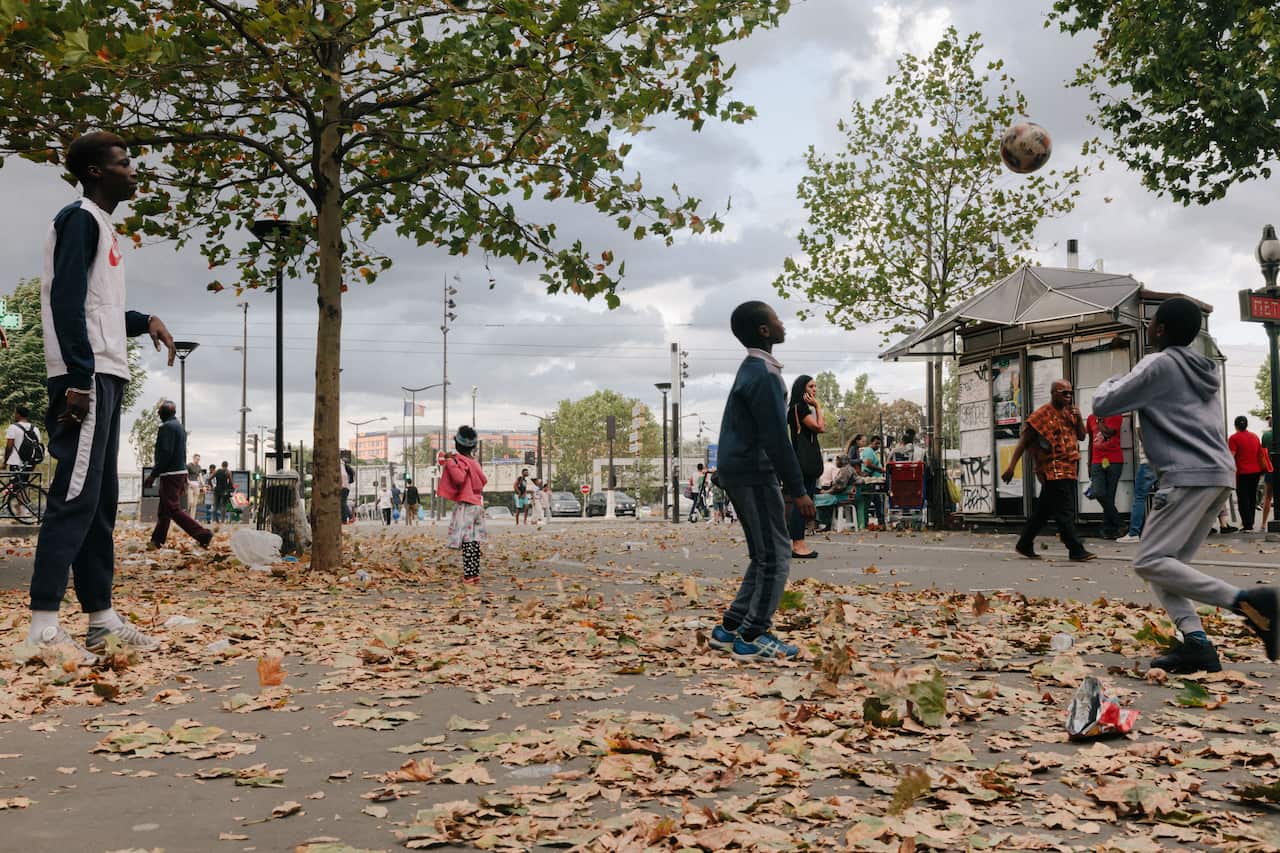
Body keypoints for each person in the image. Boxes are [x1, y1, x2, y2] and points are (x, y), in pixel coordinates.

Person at [28, 131, 176, 661]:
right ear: (95, 171)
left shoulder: (104, 227)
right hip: (84, 377)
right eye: (123, 163)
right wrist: (78, 376)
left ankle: (101, 620)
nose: (133, 171)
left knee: (100, 503)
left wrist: (145, 321)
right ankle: (43, 628)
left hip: (103, 374)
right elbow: (66, 299)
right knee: (73, 497)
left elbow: (100, 308)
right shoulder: (79, 219)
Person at [1093, 297, 1277, 673]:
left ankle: (1249, 601)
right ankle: (1196, 644)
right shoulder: (1203, 369)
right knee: (1168, 565)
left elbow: (1104, 403)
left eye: (1152, 322)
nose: (1148, 327)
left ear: (1160, 329)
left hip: (1186, 475)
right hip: (1217, 476)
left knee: (1149, 560)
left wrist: (1114, 377)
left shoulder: (1160, 363)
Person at [706, 301, 814, 663]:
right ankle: (753, 635)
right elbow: (776, 438)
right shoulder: (765, 375)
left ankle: (732, 626)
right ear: (765, 331)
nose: (783, 324)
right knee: (778, 554)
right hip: (754, 471)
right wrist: (798, 490)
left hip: (738, 468)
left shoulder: (751, 369)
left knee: (764, 553)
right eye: (776, 319)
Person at [1002, 379, 1095, 562]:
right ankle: (1075, 549)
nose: (1068, 397)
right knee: (1064, 510)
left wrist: (1078, 418)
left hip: (1070, 467)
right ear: (1054, 394)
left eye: (1070, 393)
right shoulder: (1041, 415)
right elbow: (1024, 441)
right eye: (1064, 393)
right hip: (1052, 469)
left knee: (1043, 511)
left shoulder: (1071, 413)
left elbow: (1083, 437)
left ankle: (1024, 543)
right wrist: (1011, 466)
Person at [143, 401, 212, 550]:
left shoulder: (166, 427)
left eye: (159, 411)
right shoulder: (179, 427)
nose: (158, 414)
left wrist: (153, 475)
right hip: (179, 472)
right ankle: (156, 540)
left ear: (164, 413)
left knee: (173, 509)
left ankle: (203, 534)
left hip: (170, 473)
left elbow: (165, 453)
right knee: (164, 510)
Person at [439, 425, 488, 584]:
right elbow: (483, 480)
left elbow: (459, 479)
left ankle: (468, 575)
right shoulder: (475, 463)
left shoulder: (458, 461)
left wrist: (450, 463)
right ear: (473, 446)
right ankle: (474, 573)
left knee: (466, 540)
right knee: (474, 540)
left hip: (466, 504)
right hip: (477, 503)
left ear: (457, 444)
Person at [786, 374, 824, 558]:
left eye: (815, 386)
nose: (814, 390)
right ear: (802, 389)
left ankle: (797, 543)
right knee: (802, 502)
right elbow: (819, 427)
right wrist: (818, 407)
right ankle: (798, 544)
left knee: (802, 501)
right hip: (803, 462)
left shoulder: (796, 408)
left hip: (799, 460)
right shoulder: (800, 408)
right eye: (811, 386)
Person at [1086, 410, 1126, 539]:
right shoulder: (1091, 418)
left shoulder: (1116, 415)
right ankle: (1119, 523)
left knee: (1109, 496)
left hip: (1113, 460)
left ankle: (1108, 529)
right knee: (1098, 492)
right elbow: (1091, 441)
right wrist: (1089, 462)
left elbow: (1108, 433)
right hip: (1097, 461)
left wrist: (1100, 421)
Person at [1117, 421, 1158, 544]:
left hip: (1148, 461)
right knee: (1166, 495)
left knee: (1139, 497)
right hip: (1164, 460)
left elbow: (1141, 431)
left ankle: (1134, 532)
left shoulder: (1143, 405)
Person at [1227, 415, 1266, 532]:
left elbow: (1231, 456)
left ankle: (1247, 524)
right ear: (1246, 425)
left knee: (1243, 498)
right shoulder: (1254, 437)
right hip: (1256, 471)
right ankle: (1250, 522)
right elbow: (1260, 454)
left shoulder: (1233, 438)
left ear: (1235, 425)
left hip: (1242, 472)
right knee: (1251, 497)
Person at [5, 405, 42, 484]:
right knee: (22, 487)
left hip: (15, 462)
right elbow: (37, 447)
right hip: (29, 463)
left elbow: (9, 447)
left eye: (15, 413)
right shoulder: (35, 429)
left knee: (15, 487)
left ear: (18, 414)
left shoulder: (13, 427)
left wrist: (4, 462)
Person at [860, 436, 887, 530]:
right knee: (870, 503)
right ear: (871, 443)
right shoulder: (868, 451)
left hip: (876, 481)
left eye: (879, 443)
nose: (878, 445)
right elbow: (867, 463)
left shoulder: (873, 452)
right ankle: (866, 524)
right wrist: (880, 469)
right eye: (876, 443)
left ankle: (881, 524)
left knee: (878, 503)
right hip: (871, 482)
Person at [1262, 417, 1274, 531]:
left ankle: (1263, 523)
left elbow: (1263, 454)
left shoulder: (1266, 436)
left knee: (1267, 497)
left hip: (1270, 469)